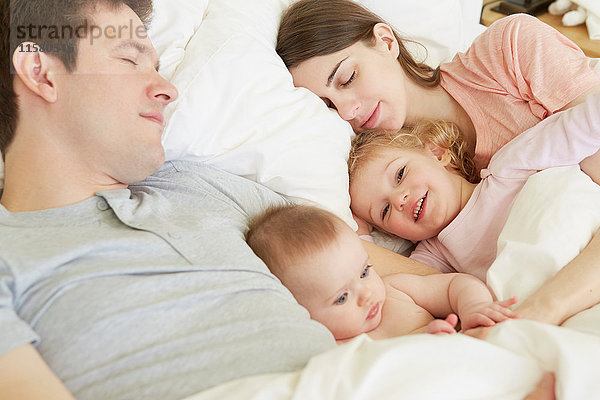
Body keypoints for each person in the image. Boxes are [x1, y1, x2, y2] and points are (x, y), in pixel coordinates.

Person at [0, 1, 339, 399]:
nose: (167, 89)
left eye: (157, 67)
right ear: (41, 73)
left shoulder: (205, 186)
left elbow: (378, 274)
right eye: (129, 59)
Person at [275, 0, 600, 327]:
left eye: (347, 78)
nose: (346, 111)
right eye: (328, 106)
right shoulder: (380, 185)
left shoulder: (509, 48)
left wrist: (545, 306)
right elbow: (430, 286)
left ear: (386, 42)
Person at [348, 94, 600, 282]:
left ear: (437, 153)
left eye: (400, 174)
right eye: (384, 210)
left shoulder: (508, 167)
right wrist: (359, 233)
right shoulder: (435, 255)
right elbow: (384, 277)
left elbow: (580, 125)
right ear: (396, 235)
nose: (399, 199)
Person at [246, 203, 520, 342]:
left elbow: (454, 285)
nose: (367, 294)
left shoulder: (395, 290)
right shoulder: (333, 348)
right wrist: (418, 344)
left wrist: (474, 307)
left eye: (365, 271)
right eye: (341, 298)